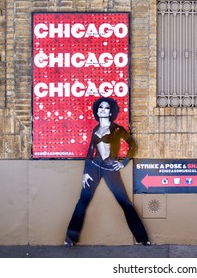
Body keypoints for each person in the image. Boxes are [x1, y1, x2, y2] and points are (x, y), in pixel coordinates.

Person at [64, 97, 150, 246]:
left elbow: (133, 145)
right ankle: (70, 238)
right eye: (101, 107)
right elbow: (90, 151)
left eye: (107, 108)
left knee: (124, 202)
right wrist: (85, 172)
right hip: (93, 167)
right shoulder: (95, 130)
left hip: (110, 168)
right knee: (82, 201)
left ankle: (142, 238)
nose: (103, 110)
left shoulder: (117, 129)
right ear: (97, 111)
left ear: (111, 112)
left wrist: (123, 163)